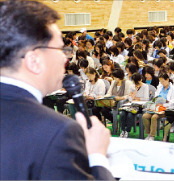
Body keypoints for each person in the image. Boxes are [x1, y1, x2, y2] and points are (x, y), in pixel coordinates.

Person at [0, 0, 113, 179]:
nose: (65, 58)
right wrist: (97, 156)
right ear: (34, 60)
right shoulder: (58, 132)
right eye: (60, 49)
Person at [142, 73, 174, 141]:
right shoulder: (160, 87)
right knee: (145, 116)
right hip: (156, 107)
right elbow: (156, 96)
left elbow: (173, 102)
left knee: (154, 117)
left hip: (165, 109)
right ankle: (148, 134)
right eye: (160, 81)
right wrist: (155, 101)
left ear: (167, 80)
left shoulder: (173, 89)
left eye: (163, 81)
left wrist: (164, 104)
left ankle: (152, 136)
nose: (162, 83)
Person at [118, 73, 149, 138]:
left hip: (139, 106)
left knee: (130, 115)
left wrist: (135, 97)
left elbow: (146, 98)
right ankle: (123, 130)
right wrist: (134, 92)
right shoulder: (132, 86)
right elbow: (129, 97)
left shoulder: (145, 86)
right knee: (122, 113)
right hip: (130, 105)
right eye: (135, 83)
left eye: (137, 82)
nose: (136, 84)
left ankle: (127, 131)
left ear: (141, 80)